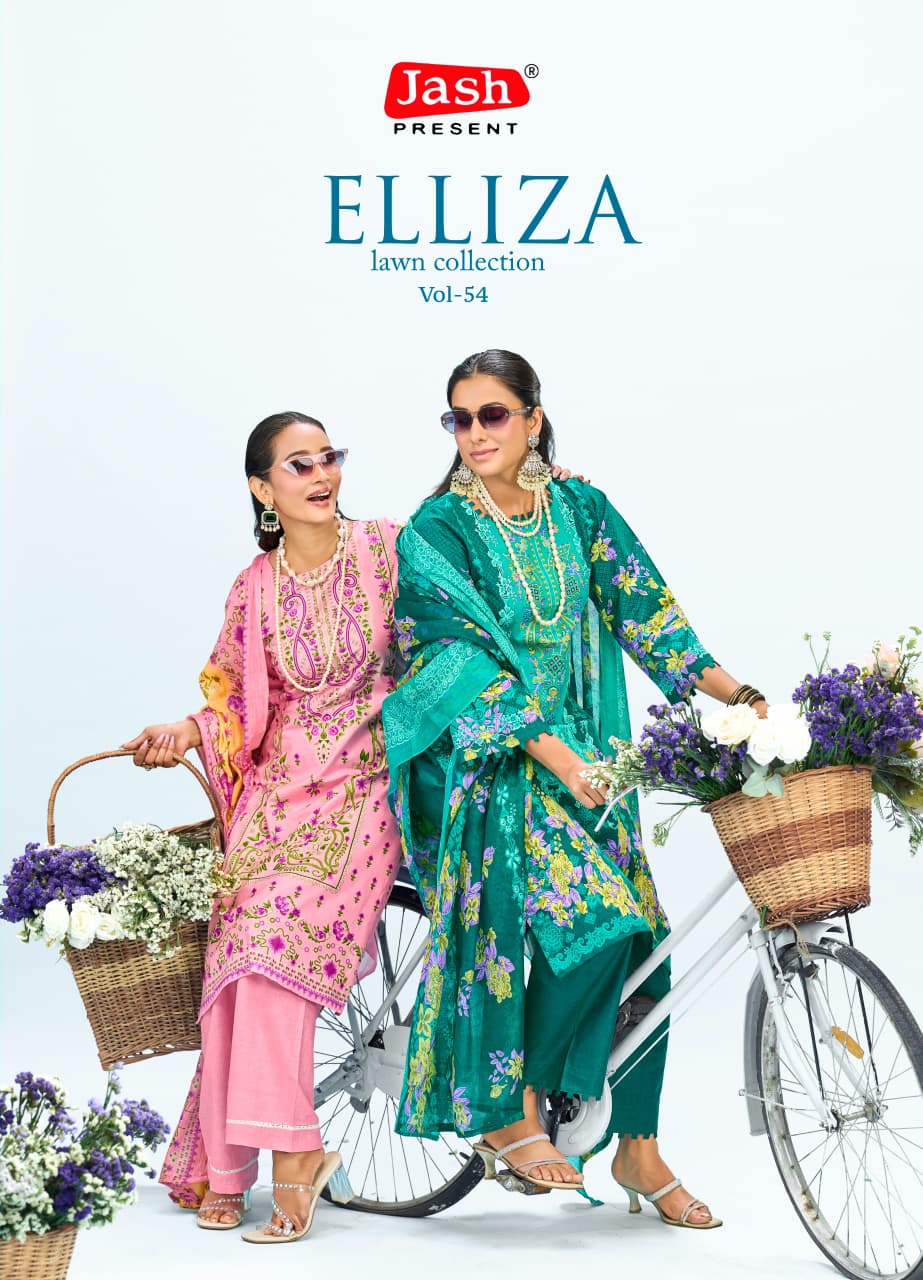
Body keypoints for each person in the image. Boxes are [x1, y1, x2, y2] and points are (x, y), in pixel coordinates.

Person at [382, 350, 768, 1229]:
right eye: (458, 418)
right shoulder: (436, 530)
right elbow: (454, 664)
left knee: (646, 947)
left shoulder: (579, 508)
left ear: (533, 419)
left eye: (492, 414)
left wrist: (740, 697)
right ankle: (511, 1104)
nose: (474, 433)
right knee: (603, 923)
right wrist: (555, 758)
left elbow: (647, 612)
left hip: (592, 763)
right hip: (489, 765)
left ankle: (638, 1147)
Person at [122, 413, 402, 1243]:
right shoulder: (254, 587)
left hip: (368, 782)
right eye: (298, 465)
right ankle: (231, 1164)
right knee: (235, 950)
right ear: (262, 488)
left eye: (328, 459)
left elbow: (462, 587)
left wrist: (541, 487)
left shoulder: (387, 548)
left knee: (277, 942)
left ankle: (293, 1154)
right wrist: (187, 731)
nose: (321, 476)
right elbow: (239, 699)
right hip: (278, 793)